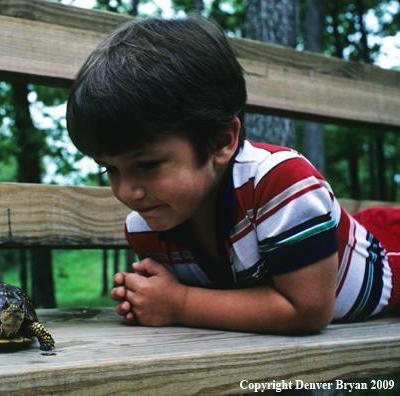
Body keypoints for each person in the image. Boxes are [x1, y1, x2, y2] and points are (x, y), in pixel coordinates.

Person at [65, 17, 400, 334]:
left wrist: (179, 303)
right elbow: (219, 301)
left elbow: (308, 310)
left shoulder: (280, 183)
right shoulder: (148, 224)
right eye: (110, 169)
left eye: (148, 164)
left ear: (220, 142)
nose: (127, 192)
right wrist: (146, 297)